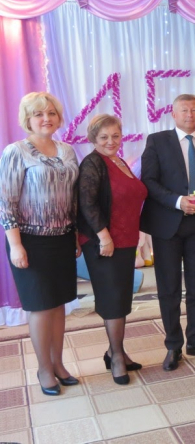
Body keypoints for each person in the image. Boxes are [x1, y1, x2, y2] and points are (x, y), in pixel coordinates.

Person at [0, 92, 80, 395]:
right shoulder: (16, 151)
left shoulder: (67, 150)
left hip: (63, 238)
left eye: (51, 113)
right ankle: (44, 368)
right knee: (41, 307)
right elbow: (6, 202)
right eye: (38, 114)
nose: (46, 119)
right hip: (29, 241)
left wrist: (75, 236)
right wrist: (16, 245)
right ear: (28, 119)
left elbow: (72, 199)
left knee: (59, 305)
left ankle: (58, 364)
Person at [140, 94, 195, 371]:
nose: (190, 114)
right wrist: (177, 201)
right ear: (173, 114)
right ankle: (173, 345)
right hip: (168, 226)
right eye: (184, 110)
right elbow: (148, 181)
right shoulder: (157, 141)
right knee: (169, 288)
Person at [78, 114, 148, 385]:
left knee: (121, 298)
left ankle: (115, 351)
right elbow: (87, 203)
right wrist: (104, 237)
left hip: (126, 240)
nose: (111, 141)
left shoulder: (119, 161)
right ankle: (116, 356)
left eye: (115, 136)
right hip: (104, 243)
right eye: (104, 137)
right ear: (93, 138)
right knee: (112, 299)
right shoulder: (93, 162)